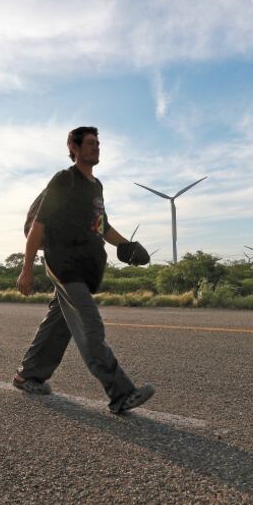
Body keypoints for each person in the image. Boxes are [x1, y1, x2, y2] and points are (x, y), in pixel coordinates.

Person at [14, 126, 154, 414]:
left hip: (84, 265)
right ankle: (120, 393)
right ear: (74, 147)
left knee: (60, 322)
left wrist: (127, 246)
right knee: (90, 323)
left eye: (98, 143)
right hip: (62, 263)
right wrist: (26, 269)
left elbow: (100, 225)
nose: (96, 147)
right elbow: (38, 226)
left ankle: (28, 375)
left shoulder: (95, 186)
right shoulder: (64, 180)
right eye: (90, 143)